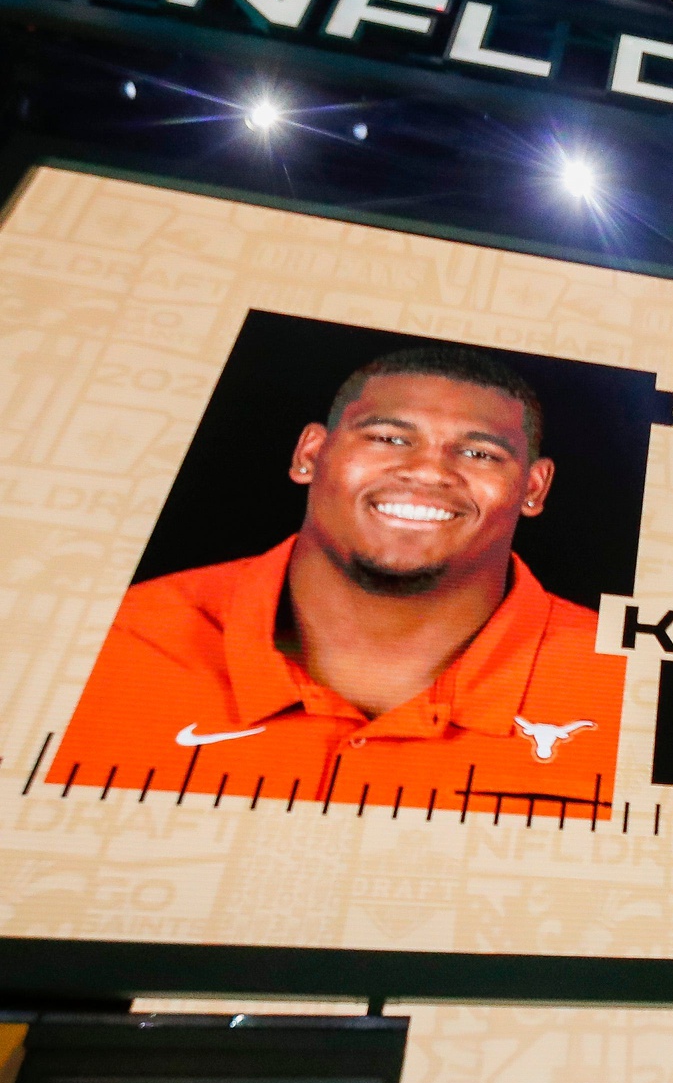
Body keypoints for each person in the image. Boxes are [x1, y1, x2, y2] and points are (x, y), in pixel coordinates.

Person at [47, 344, 624, 818]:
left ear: (534, 489)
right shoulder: (104, 639)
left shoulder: (626, 686)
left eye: (478, 453)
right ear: (309, 454)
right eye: (389, 438)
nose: (428, 471)